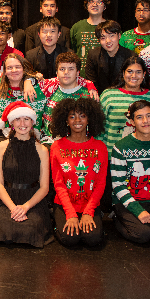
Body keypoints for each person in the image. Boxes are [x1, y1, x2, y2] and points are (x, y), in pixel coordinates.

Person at [111, 100, 150, 244]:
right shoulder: (121, 147)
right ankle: (118, 218)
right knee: (143, 235)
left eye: (149, 116)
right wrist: (138, 211)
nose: (145, 121)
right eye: (139, 117)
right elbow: (118, 185)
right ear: (132, 122)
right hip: (128, 201)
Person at [49, 98, 107, 246]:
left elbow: (100, 183)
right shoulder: (57, 146)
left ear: (89, 119)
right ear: (66, 120)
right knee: (70, 239)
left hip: (90, 203)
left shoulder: (100, 147)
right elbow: (59, 184)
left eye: (82, 115)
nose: (77, 120)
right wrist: (70, 213)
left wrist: (88, 212)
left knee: (92, 239)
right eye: (72, 116)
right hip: (64, 204)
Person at [0, 101, 51, 247]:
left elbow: (44, 187)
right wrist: (13, 208)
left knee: (31, 229)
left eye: (26, 119)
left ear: (32, 122)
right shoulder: (0, 147)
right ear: (12, 122)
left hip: (32, 200)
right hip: (7, 199)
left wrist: (25, 207)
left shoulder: (42, 150)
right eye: (18, 119)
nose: (22, 123)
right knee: (6, 228)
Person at [99, 56, 150, 155]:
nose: (133, 75)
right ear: (123, 73)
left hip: (143, 155)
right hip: (112, 156)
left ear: (144, 74)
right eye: (129, 71)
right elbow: (99, 128)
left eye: (138, 72)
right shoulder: (108, 95)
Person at [40, 52, 92, 144]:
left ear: (77, 72)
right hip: (48, 143)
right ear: (56, 72)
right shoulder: (48, 90)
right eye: (62, 69)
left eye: (71, 69)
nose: (66, 72)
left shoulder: (88, 95)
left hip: (77, 145)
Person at [85, 20, 134, 95]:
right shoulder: (93, 54)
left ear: (119, 36)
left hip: (124, 96)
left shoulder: (130, 56)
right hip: (99, 96)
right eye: (103, 38)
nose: (108, 41)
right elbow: (91, 81)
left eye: (111, 36)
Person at [70, 0, 109, 76]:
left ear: (104, 7)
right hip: (80, 79)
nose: (95, 5)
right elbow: (73, 51)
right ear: (87, 5)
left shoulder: (111, 27)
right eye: (91, 2)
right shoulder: (77, 27)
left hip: (104, 77)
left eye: (99, 2)